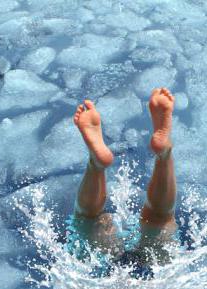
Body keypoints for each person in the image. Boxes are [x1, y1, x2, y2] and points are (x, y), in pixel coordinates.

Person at [70, 87, 178, 271]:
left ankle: (96, 164)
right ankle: (164, 154)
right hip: (153, 287)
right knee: (159, 219)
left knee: (88, 221)